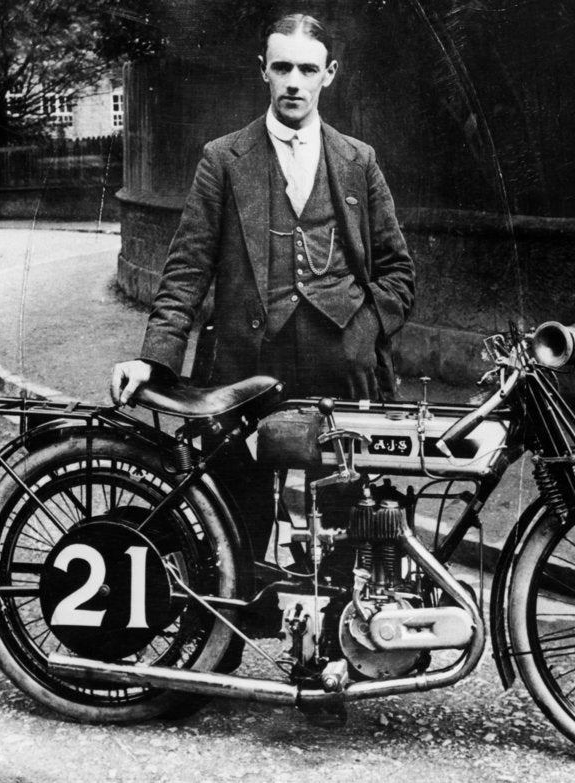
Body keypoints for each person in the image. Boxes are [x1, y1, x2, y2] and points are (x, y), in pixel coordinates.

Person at [110, 13, 415, 563]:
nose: (294, 81)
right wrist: (154, 360)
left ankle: (345, 640)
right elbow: (186, 270)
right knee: (234, 521)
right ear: (263, 72)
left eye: (307, 68)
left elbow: (397, 273)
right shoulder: (223, 159)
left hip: (341, 372)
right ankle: (235, 631)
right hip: (244, 367)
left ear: (330, 74)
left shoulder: (358, 161)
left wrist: (362, 334)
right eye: (282, 67)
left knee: (353, 522)